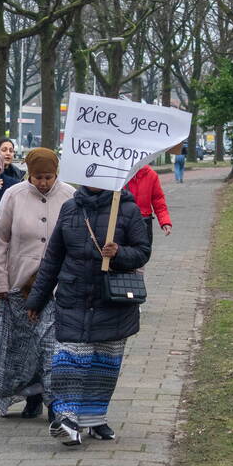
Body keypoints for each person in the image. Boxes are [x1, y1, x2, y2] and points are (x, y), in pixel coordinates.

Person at [26, 185, 151, 445]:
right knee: (68, 360)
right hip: (73, 298)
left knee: (103, 365)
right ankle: (67, 420)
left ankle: (95, 420)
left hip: (112, 302)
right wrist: (37, 298)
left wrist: (119, 253)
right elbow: (53, 257)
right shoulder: (71, 208)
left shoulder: (128, 209)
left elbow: (142, 251)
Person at [0, 147, 75, 419]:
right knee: (24, 347)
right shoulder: (13, 196)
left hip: (58, 285)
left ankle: (54, 401)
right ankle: (32, 395)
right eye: (38, 177)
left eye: (48, 177)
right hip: (19, 284)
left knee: (51, 345)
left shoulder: (71, 196)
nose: (43, 182)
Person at [126, 164, 172, 246]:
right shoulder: (120, 174)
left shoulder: (151, 174)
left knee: (143, 254)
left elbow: (158, 200)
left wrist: (165, 222)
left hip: (144, 221)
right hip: (122, 221)